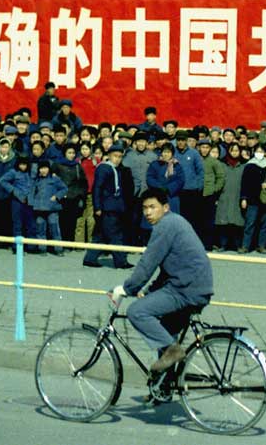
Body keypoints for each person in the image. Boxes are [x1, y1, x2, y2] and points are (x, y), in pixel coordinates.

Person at [111, 188, 214, 373]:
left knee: (136, 312)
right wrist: (150, 291)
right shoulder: (175, 221)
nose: (148, 212)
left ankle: (173, 352)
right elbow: (169, 268)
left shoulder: (166, 225)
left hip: (186, 290)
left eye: (153, 207)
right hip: (195, 286)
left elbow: (148, 262)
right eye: (144, 208)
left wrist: (128, 288)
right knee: (166, 332)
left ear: (165, 207)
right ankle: (163, 388)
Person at [83, 144, 134, 269]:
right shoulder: (104, 168)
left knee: (100, 234)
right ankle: (121, 261)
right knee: (116, 235)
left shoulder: (115, 169)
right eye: (115, 156)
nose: (118, 159)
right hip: (107, 208)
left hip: (113, 207)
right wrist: (98, 207)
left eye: (120, 157)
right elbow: (97, 188)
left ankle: (90, 259)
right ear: (109, 156)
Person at [29, 160, 68, 255]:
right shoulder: (36, 180)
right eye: (41, 168)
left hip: (52, 208)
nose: (43, 170)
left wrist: (56, 196)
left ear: (49, 169)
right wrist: (32, 203)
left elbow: (64, 188)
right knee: (40, 229)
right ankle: (42, 248)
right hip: (39, 208)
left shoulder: (55, 179)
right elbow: (31, 192)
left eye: (45, 168)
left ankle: (58, 249)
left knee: (54, 228)